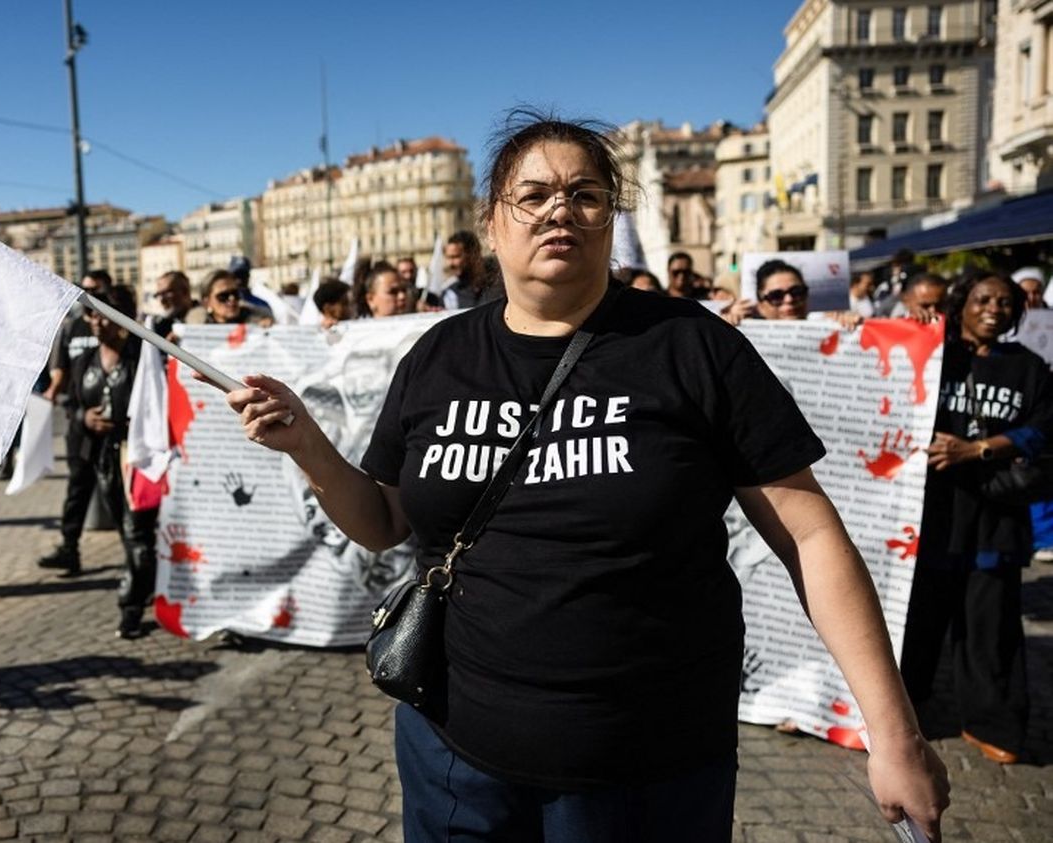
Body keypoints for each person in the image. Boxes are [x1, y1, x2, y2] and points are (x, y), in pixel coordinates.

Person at [217, 110, 948, 841]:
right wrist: (308, 447)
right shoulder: (437, 357)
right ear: (492, 224)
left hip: (647, 774)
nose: (558, 211)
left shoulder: (694, 348)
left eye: (585, 195)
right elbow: (382, 522)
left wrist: (895, 735)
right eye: (532, 196)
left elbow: (810, 537)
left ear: (607, 218)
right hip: (452, 761)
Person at [899, 271, 1052, 766]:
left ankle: (992, 723)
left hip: (994, 517)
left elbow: (1046, 429)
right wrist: (912, 328)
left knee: (990, 629)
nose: (995, 309)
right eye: (983, 299)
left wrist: (979, 449)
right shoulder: (932, 351)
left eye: (1006, 303)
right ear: (961, 303)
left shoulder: (1028, 368)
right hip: (930, 516)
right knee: (917, 622)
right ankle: (902, 714)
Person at [65, 286, 156, 638]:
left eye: (104, 314)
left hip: (138, 459)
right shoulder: (85, 361)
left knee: (138, 535)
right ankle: (148, 588)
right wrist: (84, 420)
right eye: (91, 314)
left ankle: (130, 608)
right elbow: (72, 405)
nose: (97, 321)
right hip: (103, 461)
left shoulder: (143, 358)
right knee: (128, 531)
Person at [39, 270, 116, 574]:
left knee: (118, 492)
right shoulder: (73, 326)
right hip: (79, 419)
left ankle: (141, 562)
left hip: (113, 423)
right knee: (78, 487)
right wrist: (50, 395)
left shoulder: (118, 323)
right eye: (84, 291)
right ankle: (69, 546)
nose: (89, 297)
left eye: (95, 290)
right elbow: (61, 369)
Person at [442, 230, 503, 309]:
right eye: (448, 258)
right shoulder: (450, 294)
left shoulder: (501, 282)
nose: (451, 264)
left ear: (474, 254)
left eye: (455, 257)